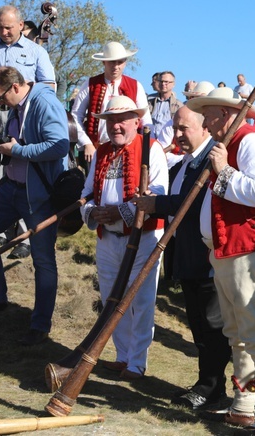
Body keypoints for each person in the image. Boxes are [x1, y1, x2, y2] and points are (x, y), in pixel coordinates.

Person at [189, 87, 255, 435]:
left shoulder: (251, 142)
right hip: (228, 250)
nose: (204, 120)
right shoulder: (232, 144)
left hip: (246, 250)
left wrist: (223, 170)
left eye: (209, 113)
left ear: (225, 114)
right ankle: (244, 404)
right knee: (238, 332)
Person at [132, 105, 231, 410]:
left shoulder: (210, 160)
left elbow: (192, 200)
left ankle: (213, 389)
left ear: (204, 129)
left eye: (184, 129)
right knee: (199, 327)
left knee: (211, 329)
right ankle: (206, 385)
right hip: (187, 258)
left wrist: (154, 203)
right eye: (175, 128)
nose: (177, 135)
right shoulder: (184, 163)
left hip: (206, 259)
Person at [0, 66, 68, 346]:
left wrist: (15, 150)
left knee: (42, 260)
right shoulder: (18, 106)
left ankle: (39, 326)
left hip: (38, 196)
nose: (1, 104)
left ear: (15, 87)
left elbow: (60, 146)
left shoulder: (45, 102)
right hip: (10, 189)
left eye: (1, 98)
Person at [80, 96, 167, 379]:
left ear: (136, 121)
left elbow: (157, 193)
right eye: (111, 121)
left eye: (122, 120)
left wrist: (121, 212)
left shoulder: (151, 149)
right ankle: (122, 355)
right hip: (107, 237)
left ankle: (137, 363)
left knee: (140, 299)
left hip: (144, 236)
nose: (117, 126)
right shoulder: (103, 151)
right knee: (110, 297)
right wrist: (94, 212)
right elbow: (87, 193)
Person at [0, 5, 56, 259]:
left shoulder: (36, 51)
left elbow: (49, 85)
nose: (4, 31)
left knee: (23, 170)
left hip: (23, 114)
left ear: (21, 25)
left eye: (9, 27)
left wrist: (24, 93)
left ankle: (23, 232)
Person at [71, 41, 152, 168]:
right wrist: (86, 143)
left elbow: (146, 120)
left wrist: (145, 147)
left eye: (120, 62)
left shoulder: (135, 85)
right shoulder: (90, 84)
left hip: (129, 150)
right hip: (96, 150)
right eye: (112, 62)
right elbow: (76, 116)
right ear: (104, 62)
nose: (116, 66)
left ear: (125, 62)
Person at [146, 71, 182, 143]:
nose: (163, 84)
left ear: (173, 84)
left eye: (166, 82)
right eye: (161, 81)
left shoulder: (178, 106)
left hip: (167, 144)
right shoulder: (149, 101)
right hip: (149, 141)